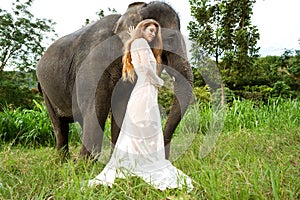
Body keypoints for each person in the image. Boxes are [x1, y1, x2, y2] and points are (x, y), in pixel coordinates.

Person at [88, 19, 193, 191]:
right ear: (142, 30)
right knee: (144, 128)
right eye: (150, 30)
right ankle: (141, 163)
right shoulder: (141, 43)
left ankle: (139, 162)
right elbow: (145, 69)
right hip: (144, 93)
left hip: (148, 93)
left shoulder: (140, 44)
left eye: (154, 32)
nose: (152, 34)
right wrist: (162, 82)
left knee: (144, 129)